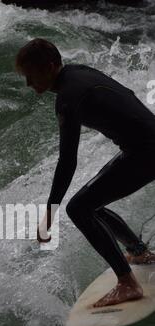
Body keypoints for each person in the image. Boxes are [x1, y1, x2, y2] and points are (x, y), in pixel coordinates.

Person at [15, 37, 155, 308]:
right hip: (146, 146)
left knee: (78, 208)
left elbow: (68, 161)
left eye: (31, 76)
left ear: (51, 66)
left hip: (146, 152)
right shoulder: (79, 72)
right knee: (90, 203)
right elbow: (127, 93)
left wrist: (49, 214)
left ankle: (128, 283)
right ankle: (138, 252)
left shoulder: (68, 98)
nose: (29, 84)